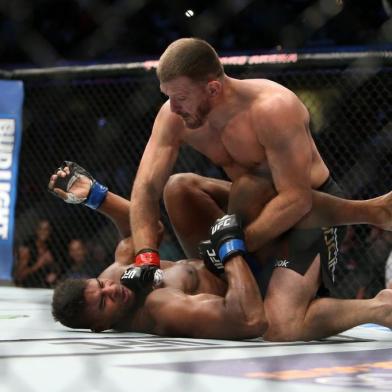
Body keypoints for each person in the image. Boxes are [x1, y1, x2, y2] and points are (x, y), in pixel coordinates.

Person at [128, 38, 388, 340]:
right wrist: (145, 257)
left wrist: (237, 246)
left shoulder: (272, 108)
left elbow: (296, 199)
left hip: (308, 219)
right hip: (249, 209)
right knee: (179, 188)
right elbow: (146, 187)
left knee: (280, 327)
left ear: (213, 88)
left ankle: (379, 307)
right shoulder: (173, 117)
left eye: (181, 97)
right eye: (168, 96)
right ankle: (227, 281)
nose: (173, 107)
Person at [50, 162, 392, 339]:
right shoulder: (161, 309)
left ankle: (307, 207)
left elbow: (145, 229)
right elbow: (251, 319)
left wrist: (98, 198)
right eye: (103, 302)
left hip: (241, 251)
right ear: (99, 327)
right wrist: (230, 248)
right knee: (280, 328)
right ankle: (379, 308)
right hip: (270, 273)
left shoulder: (114, 279)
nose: (112, 290)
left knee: (178, 187)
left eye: (101, 285)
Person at [14, 219, 60, 288]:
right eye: (41, 229)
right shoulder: (27, 249)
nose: (43, 232)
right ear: (37, 231)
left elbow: (58, 267)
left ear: (50, 232)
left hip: (45, 286)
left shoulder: (52, 247)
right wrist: (38, 265)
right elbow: (19, 275)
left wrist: (54, 273)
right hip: (27, 287)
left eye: (46, 229)